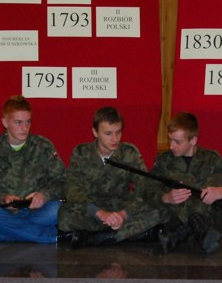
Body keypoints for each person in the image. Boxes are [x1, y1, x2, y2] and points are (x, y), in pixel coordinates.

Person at [58, 106, 165, 248]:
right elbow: (72, 189)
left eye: (118, 132)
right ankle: (128, 233)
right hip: (93, 207)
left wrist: (123, 214)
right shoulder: (81, 153)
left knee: (158, 210)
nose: (115, 139)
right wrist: (100, 213)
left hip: (120, 205)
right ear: (95, 132)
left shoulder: (129, 153)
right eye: (108, 133)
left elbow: (144, 187)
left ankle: (101, 237)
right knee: (65, 216)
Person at [147, 112, 222, 254]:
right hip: (176, 218)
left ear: (193, 140)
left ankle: (183, 233)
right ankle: (190, 228)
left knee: (209, 195)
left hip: (208, 220)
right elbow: (147, 189)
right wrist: (165, 197)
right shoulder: (164, 160)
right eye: (170, 140)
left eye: (177, 142)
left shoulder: (211, 159)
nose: (171, 146)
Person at [0, 95, 65, 243]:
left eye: (28, 122)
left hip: (37, 210)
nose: (24, 128)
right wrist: (3, 198)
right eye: (18, 122)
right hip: (3, 209)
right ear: (5, 122)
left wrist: (44, 195)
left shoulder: (43, 146)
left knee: (58, 210)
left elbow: (62, 180)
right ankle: (51, 236)